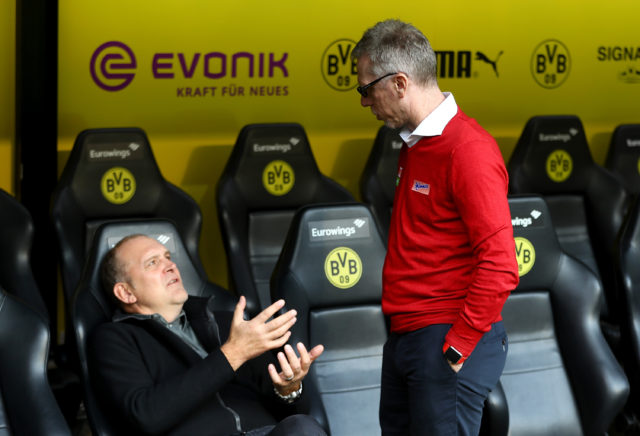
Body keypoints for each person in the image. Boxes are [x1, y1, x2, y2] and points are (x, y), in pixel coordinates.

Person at [352, 19, 520, 436]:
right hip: (408, 337)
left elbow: (501, 265)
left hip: (445, 338)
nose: (364, 102)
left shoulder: (468, 149)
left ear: (400, 84)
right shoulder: (414, 143)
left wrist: (457, 346)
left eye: (366, 89)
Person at [89, 234, 326, 436]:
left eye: (168, 257)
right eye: (152, 263)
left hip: (265, 432)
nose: (170, 266)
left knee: (302, 427)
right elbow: (146, 415)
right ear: (126, 292)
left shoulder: (226, 323)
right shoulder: (113, 339)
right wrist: (233, 353)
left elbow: (294, 412)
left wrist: (289, 389)